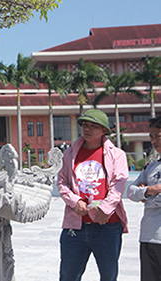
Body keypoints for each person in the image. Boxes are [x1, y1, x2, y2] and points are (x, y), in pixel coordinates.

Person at [57, 108, 129, 281]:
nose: (87, 129)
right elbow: (62, 182)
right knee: (68, 275)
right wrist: (75, 201)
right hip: (76, 226)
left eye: (93, 126)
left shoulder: (116, 155)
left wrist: (105, 209)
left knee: (108, 275)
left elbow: (118, 184)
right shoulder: (70, 153)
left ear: (104, 130)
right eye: (84, 125)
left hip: (107, 226)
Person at [127, 116, 161, 281]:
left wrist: (146, 196)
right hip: (149, 236)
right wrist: (150, 190)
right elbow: (131, 191)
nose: (154, 141)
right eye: (151, 136)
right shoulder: (151, 167)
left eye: (158, 136)